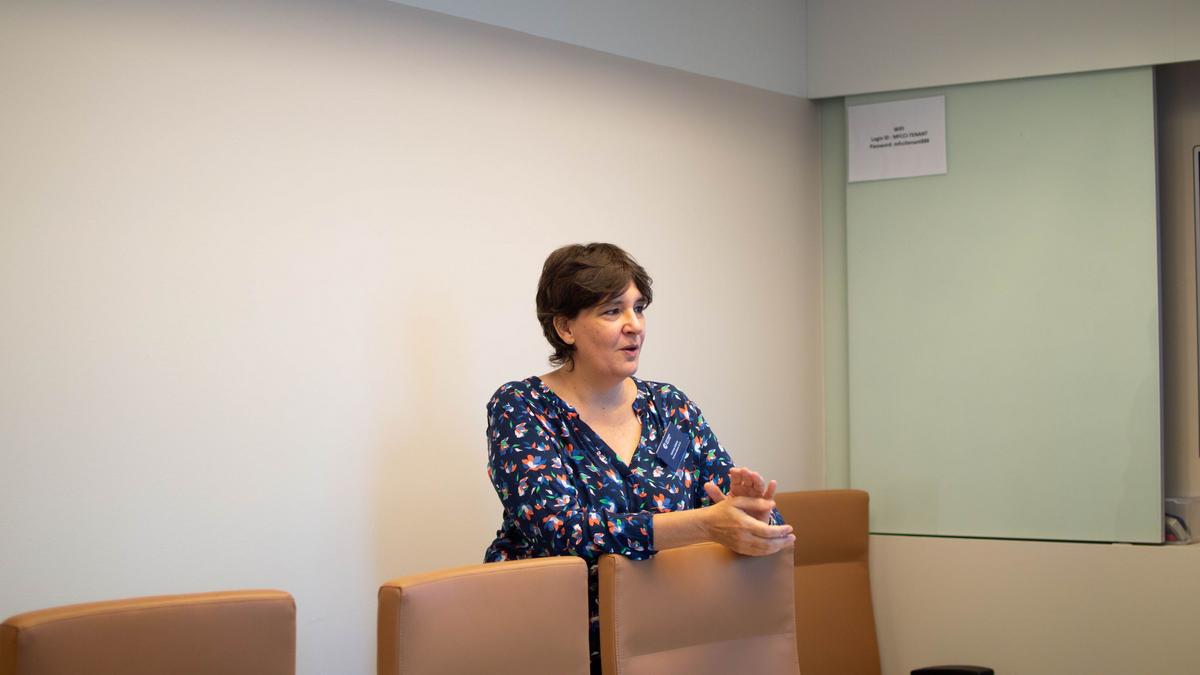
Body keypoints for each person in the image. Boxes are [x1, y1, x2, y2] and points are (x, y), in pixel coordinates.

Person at [483, 242, 794, 671]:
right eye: (613, 311)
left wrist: (755, 516)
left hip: (668, 638)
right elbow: (562, 531)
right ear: (565, 327)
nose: (635, 326)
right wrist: (705, 524)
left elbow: (748, 517)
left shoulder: (669, 407)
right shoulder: (522, 406)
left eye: (639, 308)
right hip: (555, 643)